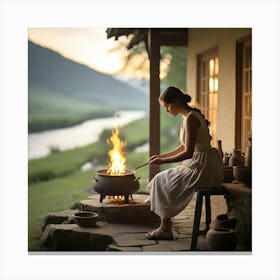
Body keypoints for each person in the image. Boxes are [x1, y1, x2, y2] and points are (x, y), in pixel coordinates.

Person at [145, 86, 224, 240]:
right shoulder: (187, 117)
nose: (167, 110)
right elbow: (184, 146)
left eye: (167, 106)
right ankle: (165, 226)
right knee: (161, 180)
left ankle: (165, 228)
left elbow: (188, 153)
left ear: (174, 101)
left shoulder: (191, 119)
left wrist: (162, 161)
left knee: (161, 180)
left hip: (204, 167)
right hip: (201, 163)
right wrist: (159, 156)